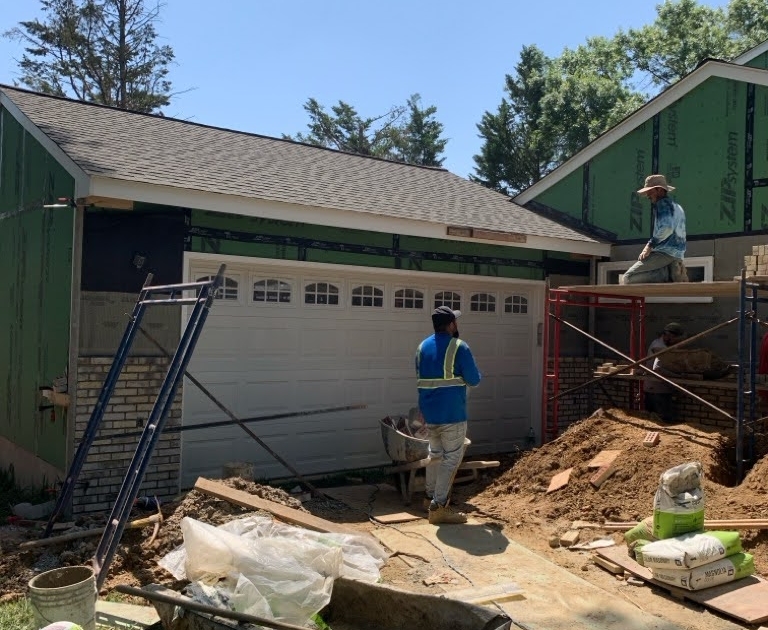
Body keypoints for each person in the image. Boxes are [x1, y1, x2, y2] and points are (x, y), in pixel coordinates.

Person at [415, 306, 481, 525]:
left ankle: (429, 497)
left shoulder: (422, 347)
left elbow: (422, 381)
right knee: (451, 459)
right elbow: (474, 379)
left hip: (429, 413)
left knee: (436, 456)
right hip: (452, 413)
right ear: (451, 324)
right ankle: (439, 507)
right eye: (455, 321)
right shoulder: (459, 347)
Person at [622, 174, 688, 284]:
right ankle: (670, 269)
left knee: (628, 278)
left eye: (650, 191)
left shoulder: (663, 204)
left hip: (663, 253)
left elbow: (667, 228)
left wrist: (649, 246)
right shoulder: (677, 207)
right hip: (677, 255)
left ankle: (664, 274)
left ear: (659, 190)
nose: (647, 195)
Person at [644, 322, 684, 423]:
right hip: (658, 390)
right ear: (668, 336)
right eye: (675, 339)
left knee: (653, 421)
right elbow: (657, 368)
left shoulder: (656, 342)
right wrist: (678, 376)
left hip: (655, 389)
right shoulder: (660, 348)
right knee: (664, 421)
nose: (676, 342)